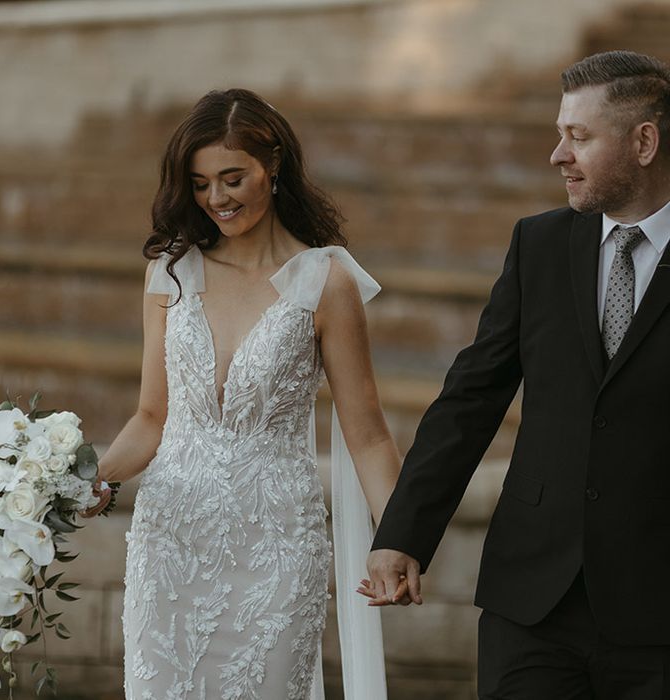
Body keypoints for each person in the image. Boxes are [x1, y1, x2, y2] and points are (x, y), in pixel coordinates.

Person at [362, 50, 670, 698]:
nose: (558, 155)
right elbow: (468, 401)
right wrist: (402, 536)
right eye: (561, 134)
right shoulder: (539, 244)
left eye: (578, 137)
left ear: (645, 141)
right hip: (532, 604)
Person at [83, 88, 401, 700]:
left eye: (233, 178)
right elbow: (152, 418)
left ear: (273, 165)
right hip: (169, 545)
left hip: (277, 550)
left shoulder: (325, 282)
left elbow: (368, 434)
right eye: (201, 184)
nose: (217, 199)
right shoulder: (169, 274)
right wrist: (87, 479)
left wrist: (399, 539)